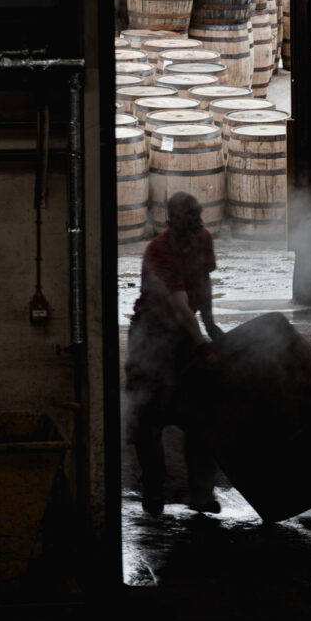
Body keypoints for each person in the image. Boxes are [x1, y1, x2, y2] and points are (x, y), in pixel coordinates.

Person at [125, 191, 224, 516]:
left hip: (184, 337)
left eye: (196, 223)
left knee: (202, 416)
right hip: (151, 338)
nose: (192, 231)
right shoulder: (158, 250)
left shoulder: (203, 238)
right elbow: (180, 306)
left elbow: (204, 285)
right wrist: (203, 344)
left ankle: (202, 495)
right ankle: (154, 492)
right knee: (149, 420)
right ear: (171, 223)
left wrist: (210, 324)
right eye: (186, 226)